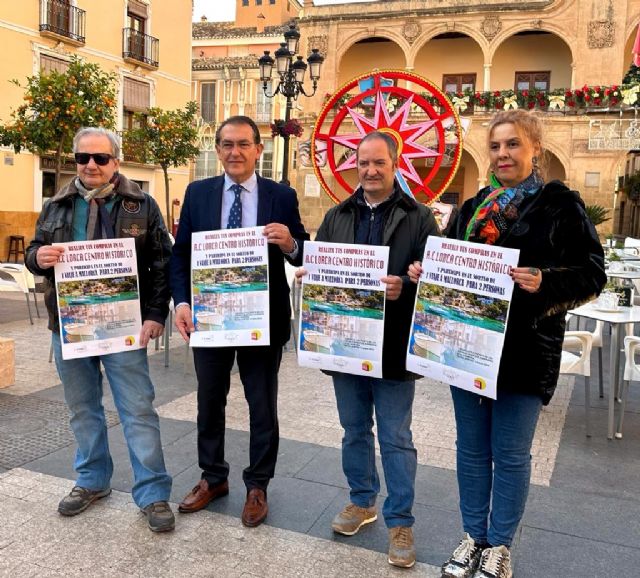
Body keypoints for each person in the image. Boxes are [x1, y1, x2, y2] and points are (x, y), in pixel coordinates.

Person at [409, 110, 606, 578]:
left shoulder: (560, 204)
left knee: (512, 454)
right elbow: (449, 261)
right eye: (496, 146)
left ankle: (499, 546)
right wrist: (425, 272)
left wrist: (546, 280)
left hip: (523, 352)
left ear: (535, 149)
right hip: (465, 346)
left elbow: (592, 273)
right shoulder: (475, 206)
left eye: (513, 144)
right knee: (471, 450)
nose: (502, 154)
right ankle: (473, 536)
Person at [25, 127, 175, 533]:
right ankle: (92, 480)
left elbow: (162, 262)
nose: (90, 164)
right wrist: (40, 256)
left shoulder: (142, 205)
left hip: (123, 327)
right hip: (69, 326)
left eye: (100, 158)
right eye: (82, 158)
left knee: (138, 410)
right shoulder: (56, 204)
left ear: (116, 162)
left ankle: (153, 492)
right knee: (82, 409)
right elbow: (32, 251)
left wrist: (156, 313)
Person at [302, 131, 439, 568]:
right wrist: (312, 281)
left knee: (396, 437)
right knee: (354, 430)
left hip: (394, 345)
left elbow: (434, 283)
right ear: (354, 166)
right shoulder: (337, 215)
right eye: (363, 163)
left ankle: (401, 520)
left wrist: (409, 284)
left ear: (395, 163)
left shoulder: (419, 218)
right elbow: (321, 264)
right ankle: (363, 501)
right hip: (345, 345)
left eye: (379, 162)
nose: (370, 170)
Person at [170, 115, 309, 527]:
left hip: (262, 322)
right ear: (217, 150)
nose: (235, 152)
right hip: (210, 320)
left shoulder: (281, 195)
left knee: (261, 404)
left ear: (258, 149)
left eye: (244, 144)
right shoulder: (198, 193)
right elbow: (181, 256)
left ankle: (257, 485)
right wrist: (181, 302)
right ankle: (213, 477)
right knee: (209, 402)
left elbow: (302, 251)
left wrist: (290, 243)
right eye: (227, 144)